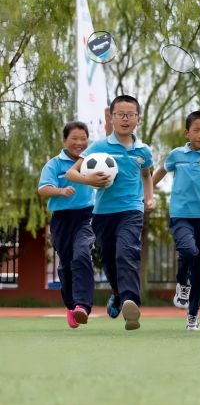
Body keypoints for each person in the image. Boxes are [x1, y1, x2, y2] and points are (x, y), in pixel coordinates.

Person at [66, 95, 155, 331]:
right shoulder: (98, 148)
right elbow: (71, 173)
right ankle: (117, 292)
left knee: (127, 252)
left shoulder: (143, 151)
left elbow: (146, 175)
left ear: (138, 118)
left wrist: (149, 197)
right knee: (109, 259)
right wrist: (89, 179)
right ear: (111, 118)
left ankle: (130, 302)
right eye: (120, 115)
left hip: (132, 210)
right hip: (103, 213)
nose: (125, 119)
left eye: (130, 115)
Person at [153, 111, 200, 331]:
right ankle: (182, 283)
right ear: (186, 133)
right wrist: (146, 193)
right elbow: (160, 172)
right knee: (188, 251)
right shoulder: (177, 155)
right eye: (196, 130)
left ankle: (193, 315)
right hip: (181, 215)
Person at [38, 121, 97, 329]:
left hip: (86, 216)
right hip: (62, 219)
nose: (80, 143)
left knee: (81, 253)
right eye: (74, 138)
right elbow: (43, 189)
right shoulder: (54, 164)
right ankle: (72, 306)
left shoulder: (92, 160)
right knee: (66, 263)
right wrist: (61, 191)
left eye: (83, 139)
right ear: (64, 141)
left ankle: (83, 305)